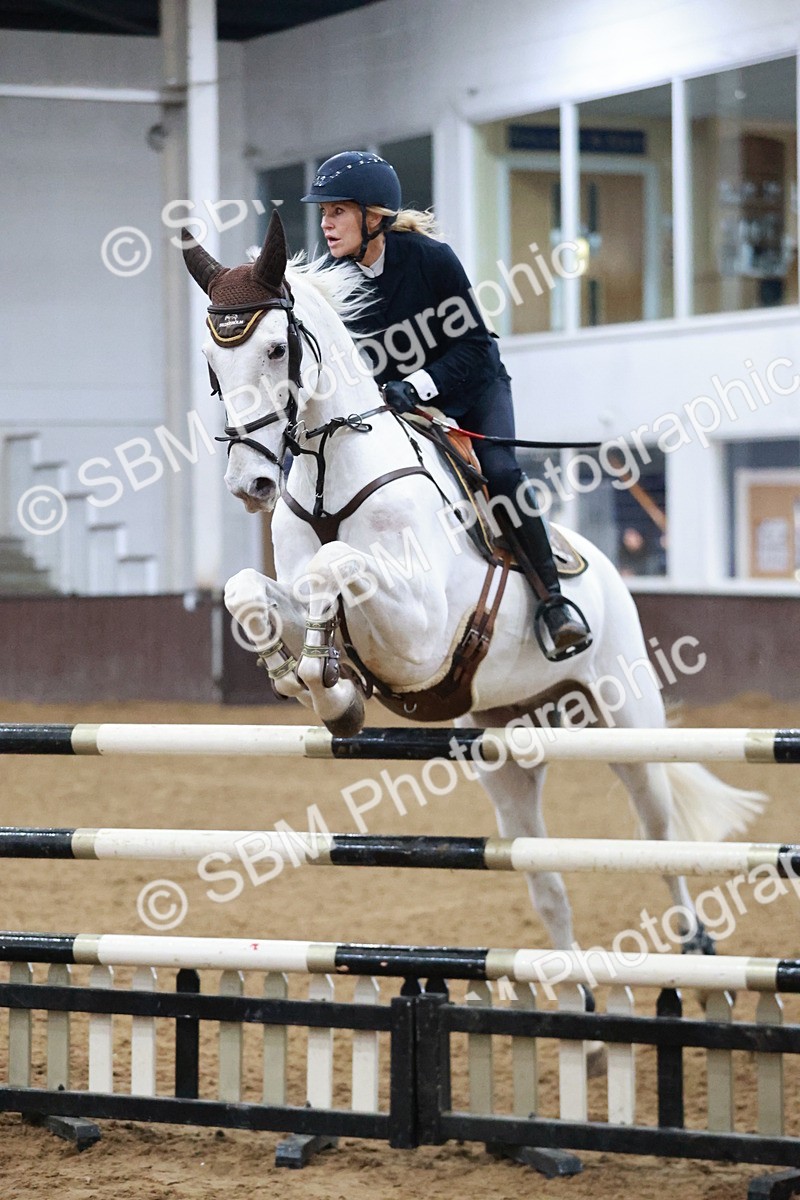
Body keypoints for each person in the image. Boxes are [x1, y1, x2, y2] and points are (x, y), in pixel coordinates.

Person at [300, 151, 590, 655]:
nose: (326, 223)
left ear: (375, 216)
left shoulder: (431, 259)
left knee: (500, 471)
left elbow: (477, 347)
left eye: (338, 211)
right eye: (323, 213)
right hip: (399, 407)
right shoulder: (333, 279)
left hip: (472, 386)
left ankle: (553, 601)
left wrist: (418, 385)